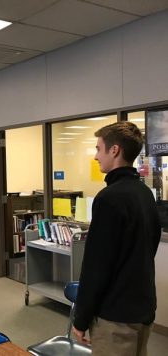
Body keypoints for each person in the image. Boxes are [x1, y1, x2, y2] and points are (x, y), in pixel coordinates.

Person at [73, 121, 161, 355]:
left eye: (98, 149)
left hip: (115, 318)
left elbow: (97, 267)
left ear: (114, 150)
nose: (95, 156)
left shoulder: (109, 198)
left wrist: (80, 319)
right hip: (143, 310)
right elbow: (147, 249)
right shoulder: (144, 193)